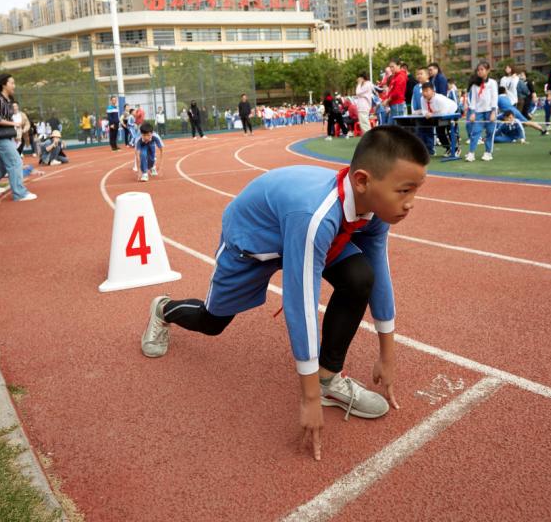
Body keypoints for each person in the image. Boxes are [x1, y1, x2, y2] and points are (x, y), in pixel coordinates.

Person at [139, 126, 430, 460]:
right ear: (362, 181)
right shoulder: (316, 217)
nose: (410, 204)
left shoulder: (375, 210)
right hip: (255, 241)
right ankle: (163, 310)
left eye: (415, 191)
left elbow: (378, 273)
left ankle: (328, 379)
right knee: (212, 322)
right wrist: (306, 401)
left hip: (297, 227)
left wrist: (387, 357)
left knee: (360, 275)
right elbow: (301, 302)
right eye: (404, 191)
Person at [0, 74, 36, 200]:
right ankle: (19, 193)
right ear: (3, 84)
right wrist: (15, 124)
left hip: (6, 134)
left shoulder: (8, 100)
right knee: (15, 161)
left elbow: (7, 117)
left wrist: (14, 133)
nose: (14, 86)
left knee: (2, 163)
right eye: (12, 83)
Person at [464, 62, 498, 162]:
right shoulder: (475, 85)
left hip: (490, 111)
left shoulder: (492, 83)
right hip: (478, 112)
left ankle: (488, 152)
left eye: (482, 69)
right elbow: (473, 99)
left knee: (490, 132)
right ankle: (471, 153)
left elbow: (494, 98)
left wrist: (493, 112)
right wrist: (473, 112)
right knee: (475, 132)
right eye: (478, 70)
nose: (479, 71)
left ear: (488, 70)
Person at [419, 82, 459, 158]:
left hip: (452, 111)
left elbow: (443, 112)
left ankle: (456, 149)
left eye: (427, 91)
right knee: (439, 132)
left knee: (450, 130)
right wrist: (426, 113)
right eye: (423, 91)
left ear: (433, 91)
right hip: (437, 114)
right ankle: (448, 148)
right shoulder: (422, 99)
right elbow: (424, 110)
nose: (425, 93)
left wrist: (431, 114)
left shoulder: (439, 99)